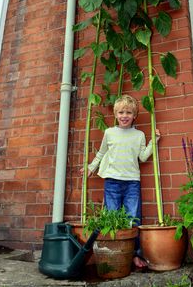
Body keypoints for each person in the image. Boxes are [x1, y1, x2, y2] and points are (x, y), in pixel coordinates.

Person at [80, 94, 160, 268]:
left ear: (134, 115)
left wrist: (154, 142)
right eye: (121, 112)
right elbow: (101, 154)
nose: (125, 116)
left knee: (133, 219)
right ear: (115, 114)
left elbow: (143, 157)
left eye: (129, 112)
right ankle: (113, 252)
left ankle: (134, 254)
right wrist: (91, 167)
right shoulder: (109, 133)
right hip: (112, 182)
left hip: (132, 182)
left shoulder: (139, 135)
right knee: (111, 218)